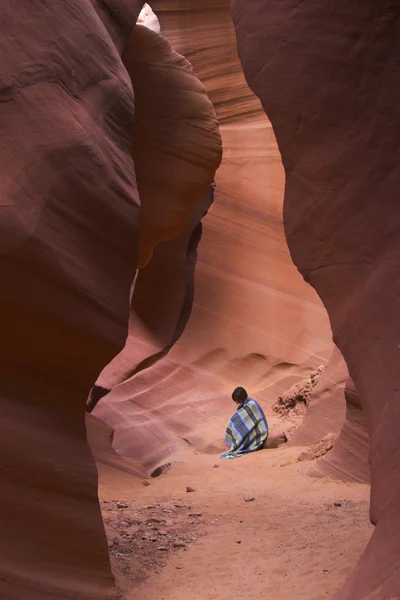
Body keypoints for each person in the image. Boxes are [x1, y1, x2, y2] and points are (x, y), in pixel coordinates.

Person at [221, 387, 287, 459]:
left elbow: (248, 420)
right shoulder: (242, 405)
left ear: (241, 398)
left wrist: (233, 421)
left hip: (259, 431)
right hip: (252, 428)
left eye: (237, 400)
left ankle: (241, 443)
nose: (236, 403)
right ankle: (238, 441)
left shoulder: (251, 404)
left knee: (234, 423)